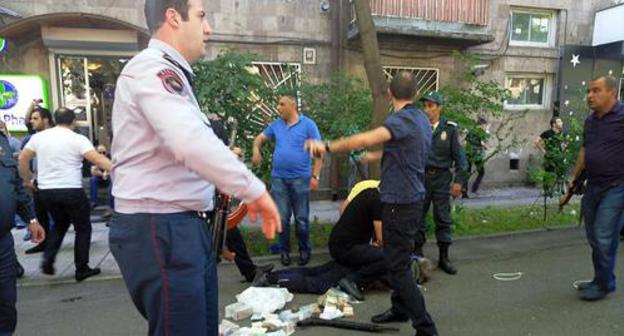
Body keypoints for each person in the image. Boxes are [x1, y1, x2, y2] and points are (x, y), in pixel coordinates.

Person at [109, 1, 281, 335]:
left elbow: (185, 146)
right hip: (163, 227)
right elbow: (188, 141)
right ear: (173, 17)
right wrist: (254, 189)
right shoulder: (152, 69)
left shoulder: (170, 73)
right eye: (201, 16)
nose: (208, 28)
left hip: (178, 226)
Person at [306, 71, 438, 336]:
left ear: (390, 93)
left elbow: (366, 137)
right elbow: (406, 149)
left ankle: (426, 328)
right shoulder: (422, 119)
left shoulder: (400, 120)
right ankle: (399, 309)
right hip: (412, 201)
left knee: (398, 269)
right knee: (396, 260)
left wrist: (327, 146)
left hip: (398, 205)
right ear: (414, 94)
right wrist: (377, 156)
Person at [18, 107, 112, 281]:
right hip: (71, 190)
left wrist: (27, 180)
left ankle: (48, 259)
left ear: (54, 119)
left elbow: (23, 158)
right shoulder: (77, 139)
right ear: (73, 122)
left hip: (46, 192)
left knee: (60, 224)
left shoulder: (38, 137)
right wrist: (118, 170)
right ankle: (82, 268)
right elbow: (97, 159)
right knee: (83, 227)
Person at [568, 75, 624, 301]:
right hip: (593, 186)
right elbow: (585, 151)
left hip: (617, 187)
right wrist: (573, 179)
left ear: (612, 93)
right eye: (589, 91)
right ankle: (599, 278)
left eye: (596, 90)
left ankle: (605, 285)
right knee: (594, 236)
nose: (590, 95)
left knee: (603, 235)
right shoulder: (591, 121)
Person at [252, 94, 323, 266]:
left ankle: (304, 250)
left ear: (293, 106)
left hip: (301, 178)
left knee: (301, 219)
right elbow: (259, 138)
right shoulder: (276, 125)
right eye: (278, 104)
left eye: (282, 104)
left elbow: (319, 152)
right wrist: (256, 149)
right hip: (279, 180)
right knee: (282, 219)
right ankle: (284, 252)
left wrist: (315, 175)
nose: (279, 107)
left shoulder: (308, 125)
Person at [414, 91, 468, 276]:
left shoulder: (450, 129)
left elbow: (461, 159)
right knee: (417, 216)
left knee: (443, 218)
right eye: (425, 106)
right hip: (420, 178)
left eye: (431, 106)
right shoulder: (418, 127)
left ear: (439, 108)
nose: (427, 110)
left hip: (441, 178)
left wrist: (459, 182)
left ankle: (444, 257)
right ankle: (417, 255)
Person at [0, 121, 45, 336]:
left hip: (3, 244)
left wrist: (31, 219)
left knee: (6, 306)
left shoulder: (2, 141)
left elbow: (15, 184)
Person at [20, 103, 55, 253]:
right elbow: (26, 121)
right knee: (40, 214)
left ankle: (55, 242)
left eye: (36, 118)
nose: (32, 121)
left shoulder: (56, 135)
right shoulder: (34, 136)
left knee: (59, 216)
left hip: (54, 182)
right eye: (32, 118)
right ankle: (44, 243)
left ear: (45, 120)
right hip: (38, 181)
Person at [463, 117, 489, 198]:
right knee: (482, 172)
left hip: (467, 154)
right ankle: (474, 189)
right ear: (482, 125)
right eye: (485, 125)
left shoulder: (471, 131)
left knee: (467, 173)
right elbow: (482, 143)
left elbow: (465, 141)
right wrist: (486, 147)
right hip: (476, 155)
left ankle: (464, 193)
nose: (485, 126)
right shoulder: (481, 132)